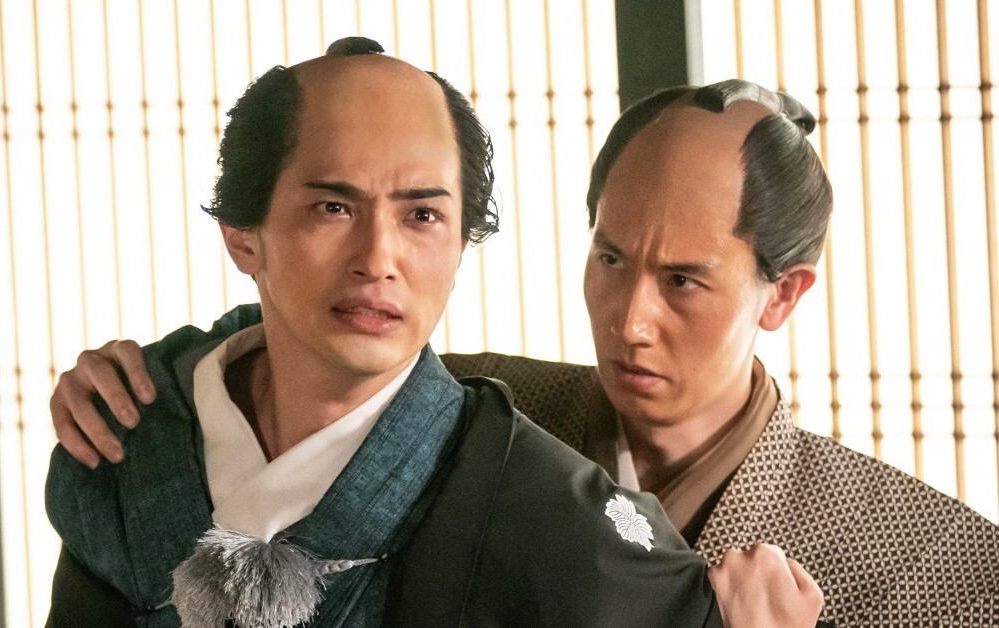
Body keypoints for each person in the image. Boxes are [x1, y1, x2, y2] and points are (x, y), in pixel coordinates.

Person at [54, 75, 999, 626]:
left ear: (783, 294)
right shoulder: (485, 406)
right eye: (610, 258)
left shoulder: (938, 564)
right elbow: (324, 351)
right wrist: (149, 381)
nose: (630, 318)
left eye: (682, 281)